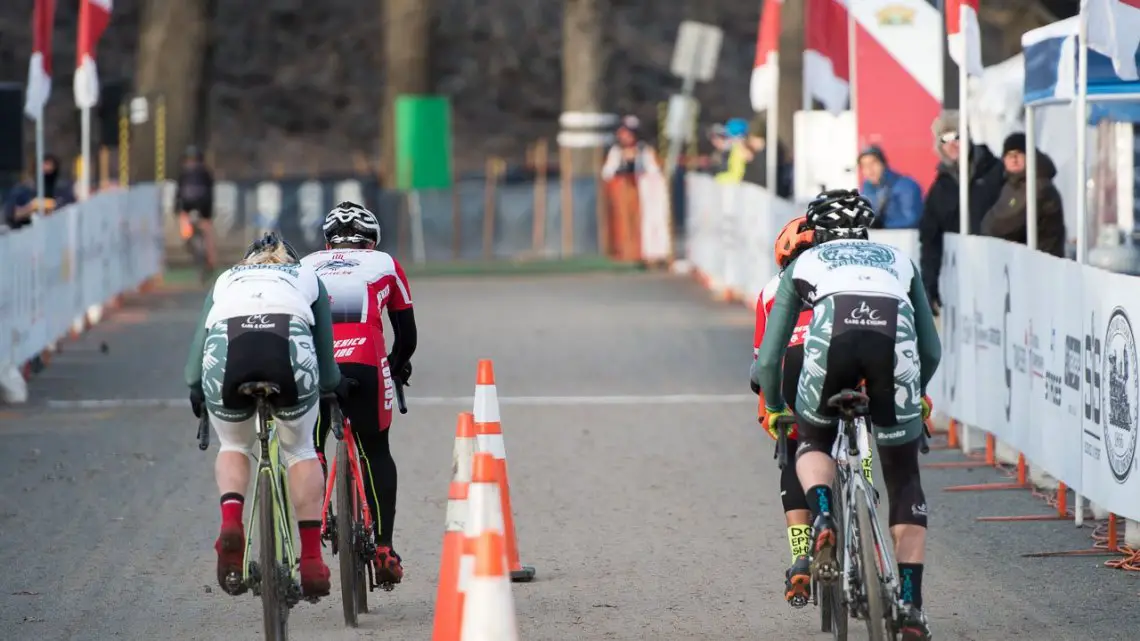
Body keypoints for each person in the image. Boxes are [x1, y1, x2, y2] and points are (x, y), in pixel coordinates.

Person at [753, 189, 941, 640]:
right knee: (903, 477)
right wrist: (919, 395)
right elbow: (931, 348)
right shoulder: (898, 259)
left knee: (813, 440)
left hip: (828, 347)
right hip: (893, 350)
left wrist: (777, 406)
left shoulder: (802, 265)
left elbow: (767, 359)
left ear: (815, 232)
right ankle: (911, 605)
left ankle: (821, 517)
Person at [184, 231, 354, 598]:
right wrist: (332, 385)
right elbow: (326, 362)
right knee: (301, 450)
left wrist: (197, 390)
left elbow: (194, 362)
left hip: (227, 347)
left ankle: (231, 521)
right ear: (289, 261)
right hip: (286, 344)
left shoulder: (226, 279)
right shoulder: (307, 277)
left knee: (233, 445)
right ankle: (310, 559)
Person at [301, 201, 417, 586]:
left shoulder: (305, 265)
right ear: (372, 241)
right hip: (366, 363)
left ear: (329, 242)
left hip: (315, 366)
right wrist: (397, 367)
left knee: (306, 448)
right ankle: (383, 547)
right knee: (376, 450)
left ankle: (308, 543)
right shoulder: (384, 263)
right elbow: (406, 336)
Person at [751, 215, 818, 608]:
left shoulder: (772, 289)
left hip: (789, 364)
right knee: (856, 418)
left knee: (793, 447)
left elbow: (761, 362)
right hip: (849, 357)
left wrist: (771, 409)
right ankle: (863, 477)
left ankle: (799, 556)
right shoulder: (846, 272)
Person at [919, 111, 1004, 312]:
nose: (952, 144)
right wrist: (929, 285)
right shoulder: (940, 188)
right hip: (963, 279)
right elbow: (930, 239)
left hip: (997, 270)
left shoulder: (994, 171)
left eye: (957, 136)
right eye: (945, 139)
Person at [980, 132, 1066, 257]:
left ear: (1029, 156)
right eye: (1009, 155)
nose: (1014, 159)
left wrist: (986, 227)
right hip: (1026, 262)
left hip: (1040, 264)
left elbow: (1007, 222)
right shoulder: (1013, 184)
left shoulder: (1036, 185)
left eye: (1019, 154)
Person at [3, 154, 75, 230]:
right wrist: (32, 207)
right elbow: (10, 214)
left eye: (50, 167)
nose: (47, 170)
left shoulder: (63, 191)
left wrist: (52, 206)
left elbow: (70, 209)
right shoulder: (23, 190)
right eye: (44, 166)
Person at [858, 146, 923, 229]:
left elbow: (913, 220)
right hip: (879, 239)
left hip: (905, 239)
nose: (869, 169)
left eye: (873, 163)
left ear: (883, 164)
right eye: (864, 166)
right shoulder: (866, 189)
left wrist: (883, 226)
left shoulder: (906, 186)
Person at [175, 145, 217, 270]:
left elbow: (210, 193)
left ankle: (210, 260)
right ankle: (190, 243)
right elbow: (179, 193)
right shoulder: (185, 175)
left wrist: (208, 211)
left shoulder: (204, 174)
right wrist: (177, 207)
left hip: (203, 208)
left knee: (207, 232)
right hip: (188, 208)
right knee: (186, 230)